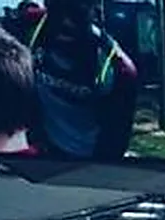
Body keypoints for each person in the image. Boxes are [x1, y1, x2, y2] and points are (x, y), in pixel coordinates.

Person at [21, 0, 138, 160]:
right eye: (59, 9)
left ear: (94, 10)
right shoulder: (28, 27)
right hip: (41, 151)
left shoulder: (118, 70)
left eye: (77, 11)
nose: (66, 22)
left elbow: (115, 145)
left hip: (88, 162)